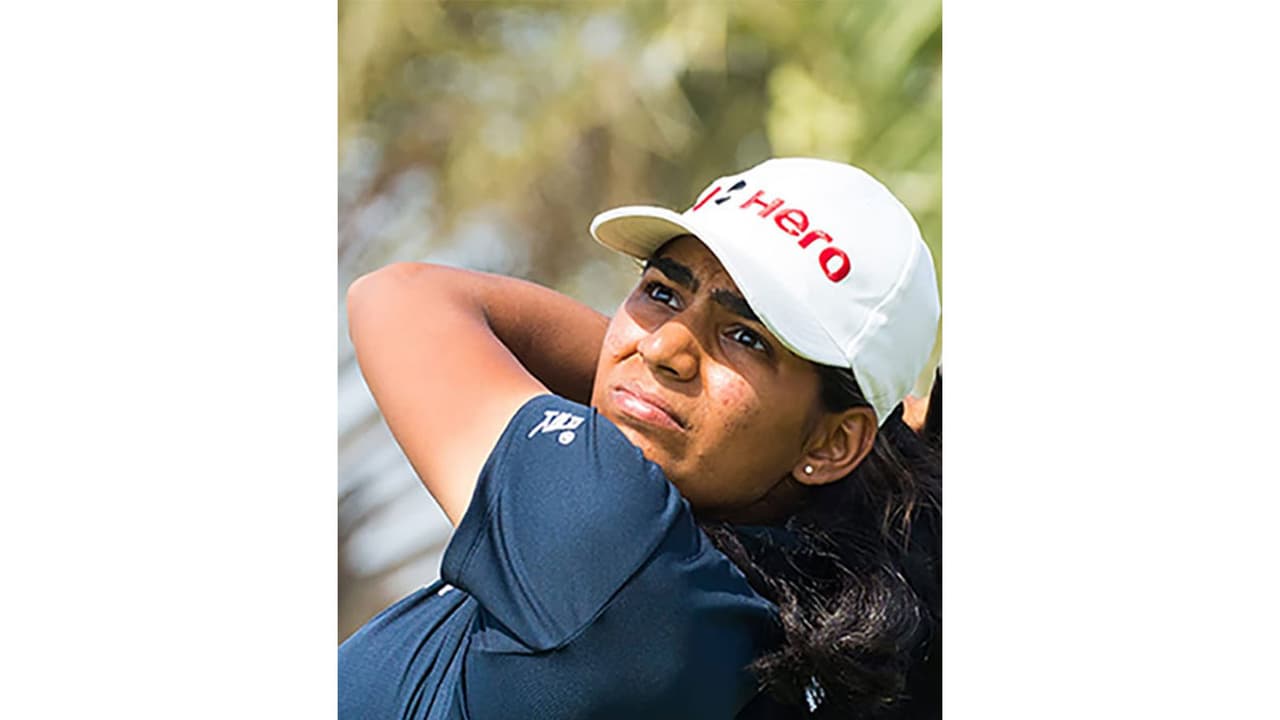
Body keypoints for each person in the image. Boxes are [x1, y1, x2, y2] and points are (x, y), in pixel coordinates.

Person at [339, 157, 942, 719]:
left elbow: (402, 295)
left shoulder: (619, 551)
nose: (661, 347)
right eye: (662, 293)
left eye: (747, 337)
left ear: (832, 445)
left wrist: (631, 375)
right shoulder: (812, 634)